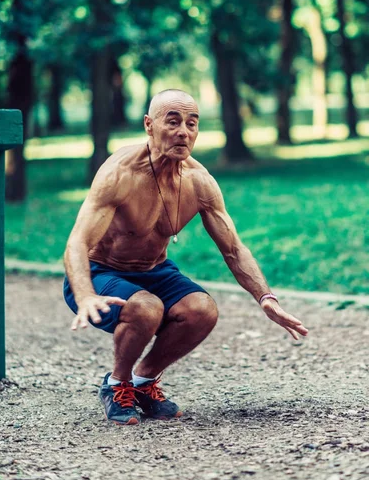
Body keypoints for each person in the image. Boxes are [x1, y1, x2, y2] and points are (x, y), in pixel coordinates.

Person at [63, 89, 308, 425]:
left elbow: (234, 248)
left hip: (154, 270)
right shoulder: (120, 173)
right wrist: (85, 294)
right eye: (173, 121)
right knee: (147, 308)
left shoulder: (198, 181)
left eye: (192, 124)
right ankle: (116, 384)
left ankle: (143, 381)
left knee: (202, 310)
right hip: (100, 270)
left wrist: (265, 297)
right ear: (149, 125)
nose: (184, 132)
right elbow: (77, 242)